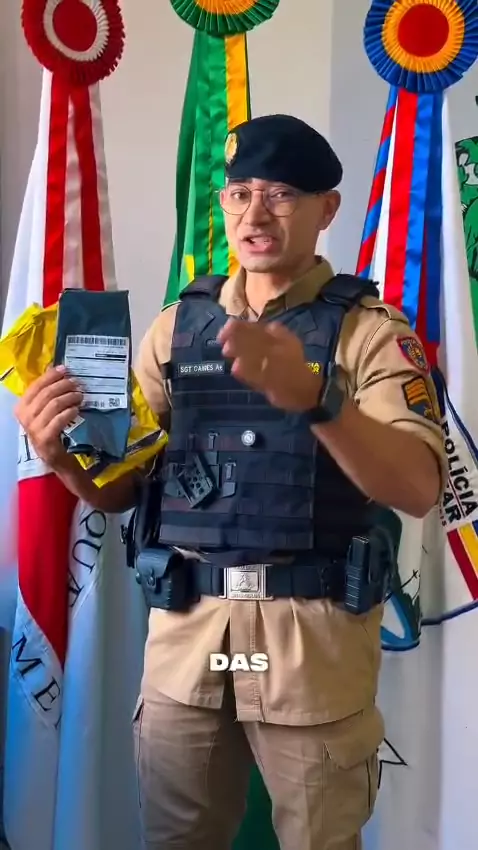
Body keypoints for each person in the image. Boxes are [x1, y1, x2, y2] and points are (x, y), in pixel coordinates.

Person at [15, 113, 447, 850]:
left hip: (310, 651)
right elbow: (122, 491)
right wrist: (60, 456)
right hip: (190, 642)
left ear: (327, 209)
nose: (255, 215)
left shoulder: (370, 332)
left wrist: (318, 399)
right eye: (240, 193)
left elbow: (418, 486)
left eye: (281, 194)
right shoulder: (178, 327)